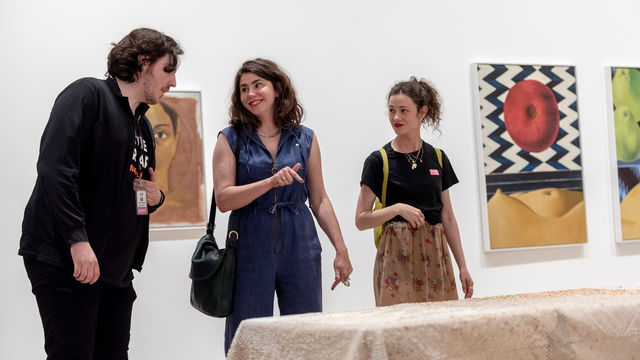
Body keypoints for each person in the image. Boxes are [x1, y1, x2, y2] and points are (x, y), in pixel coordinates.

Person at [18, 28, 183, 359]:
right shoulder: (88, 94)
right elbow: (55, 169)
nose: (173, 82)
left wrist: (152, 200)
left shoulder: (143, 127)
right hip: (67, 258)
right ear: (143, 62)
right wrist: (77, 240)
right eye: (168, 69)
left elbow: (133, 197)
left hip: (115, 272)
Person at [212, 58, 353, 353]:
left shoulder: (305, 138)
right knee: (249, 337)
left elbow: (320, 199)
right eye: (244, 89)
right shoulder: (230, 139)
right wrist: (268, 183)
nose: (251, 94)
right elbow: (224, 199)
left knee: (306, 335)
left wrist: (341, 250)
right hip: (250, 244)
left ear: (277, 88)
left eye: (257, 85)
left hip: (301, 244)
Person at [355, 77, 473, 306]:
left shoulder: (438, 158)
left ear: (422, 113)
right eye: (391, 110)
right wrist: (397, 209)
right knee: (398, 331)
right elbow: (361, 220)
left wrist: (463, 267)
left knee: (440, 328)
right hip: (396, 256)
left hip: (437, 254)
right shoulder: (378, 160)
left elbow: (447, 216)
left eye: (403, 110)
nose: (395, 117)